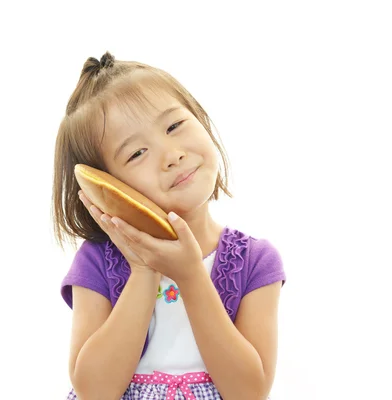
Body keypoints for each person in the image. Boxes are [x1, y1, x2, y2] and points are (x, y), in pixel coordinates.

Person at [52, 51, 286, 400]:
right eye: (136, 153)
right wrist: (144, 270)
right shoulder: (96, 261)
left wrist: (191, 274)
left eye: (174, 126)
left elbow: (249, 392)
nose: (172, 155)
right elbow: (94, 391)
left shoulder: (255, 260)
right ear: (108, 185)